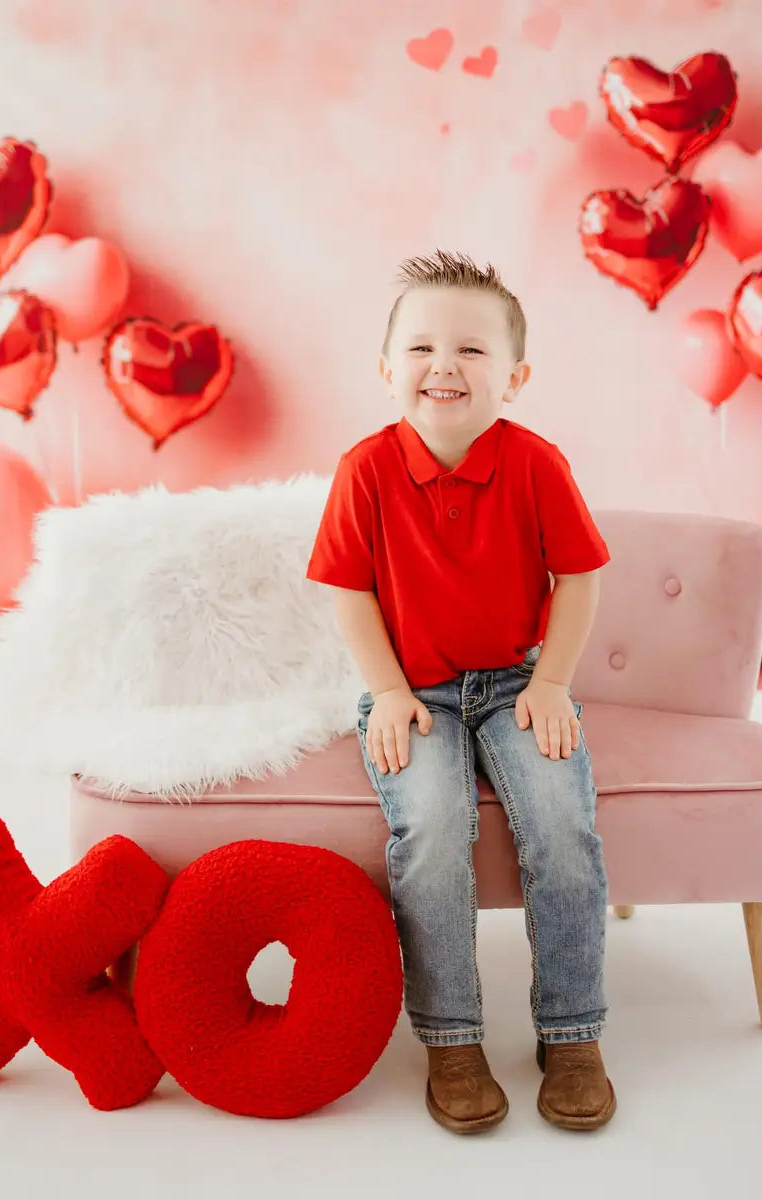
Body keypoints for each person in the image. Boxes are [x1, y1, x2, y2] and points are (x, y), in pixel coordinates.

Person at [305, 250, 615, 1134]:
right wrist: (388, 692)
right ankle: (451, 1037)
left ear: (512, 378)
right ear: (387, 368)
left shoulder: (534, 463)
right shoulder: (363, 470)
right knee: (433, 829)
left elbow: (579, 579)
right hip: (414, 691)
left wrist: (552, 683)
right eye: (423, 347)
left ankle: (572, 1030)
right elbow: (348, 591)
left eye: (472, 352)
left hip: (519, 680)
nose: (444, 365)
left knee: (560, 822)